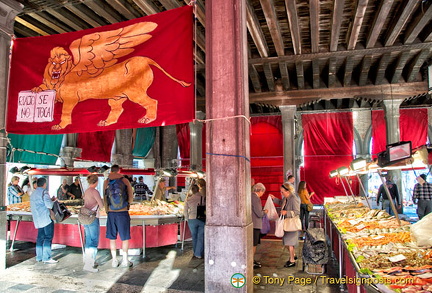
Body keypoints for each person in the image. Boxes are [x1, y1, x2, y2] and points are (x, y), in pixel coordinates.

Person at [104, 165, 134, 268]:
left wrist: (107, 210)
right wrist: (127, 204)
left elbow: (105, 198)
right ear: (119, 170)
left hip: (111, 213)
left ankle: (114, 260)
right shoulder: (124, 180)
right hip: (123, 212)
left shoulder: (106, 181)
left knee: (112, 238)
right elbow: (130, 197)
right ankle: (125, 260)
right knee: (124, 237)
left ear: (111, 171)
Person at [270, 182, 300, 268]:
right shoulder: (286, 198)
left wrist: (287, 212)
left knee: (290, 243)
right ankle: (293, 255)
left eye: (282, 192)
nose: (281, 193)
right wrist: (274, 198)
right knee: (287, 242)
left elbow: (297, 212)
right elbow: (281, 202)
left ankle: (292, 260)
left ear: (288, 191)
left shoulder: (293, 198)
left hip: (291, 224)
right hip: (286, 223)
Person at [30, 177, 58, 264]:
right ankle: (46, 257)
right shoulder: (44, 192)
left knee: (40, 238)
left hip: (38, 219)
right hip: (46, 218)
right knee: (48, 237)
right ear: (44, 184)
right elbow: (49, 205)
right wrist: (53, 201)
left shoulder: (33, 193)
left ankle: (39, 257)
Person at [82, 174, 104, 272]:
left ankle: (87, 261)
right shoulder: (95, 191)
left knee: (88, 240)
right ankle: (90, 264)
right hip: (93, 218)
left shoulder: (86, 191)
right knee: (94, 241)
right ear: (96, 182)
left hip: (85, 217)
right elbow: (101, 205)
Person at [184, 184, 205, 259]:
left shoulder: (189, 199)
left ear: (192, 191)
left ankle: (195, 252)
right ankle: (198, 253)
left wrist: (187, 218)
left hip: (191, 219)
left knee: (194, 236)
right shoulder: (203, 198)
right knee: (200, 237)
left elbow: (185, 211)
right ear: (198, 190)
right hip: (201, 219)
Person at [251, 183, 268, 269]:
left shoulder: (250, 196)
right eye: (263, 192)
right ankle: (251, 261)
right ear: (260, 190)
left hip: (251, 223)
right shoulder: (255, 198)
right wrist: (264, 212)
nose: (263, 194)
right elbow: (259, 213)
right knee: (253, 244)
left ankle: (251, 260)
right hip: (255, 224)